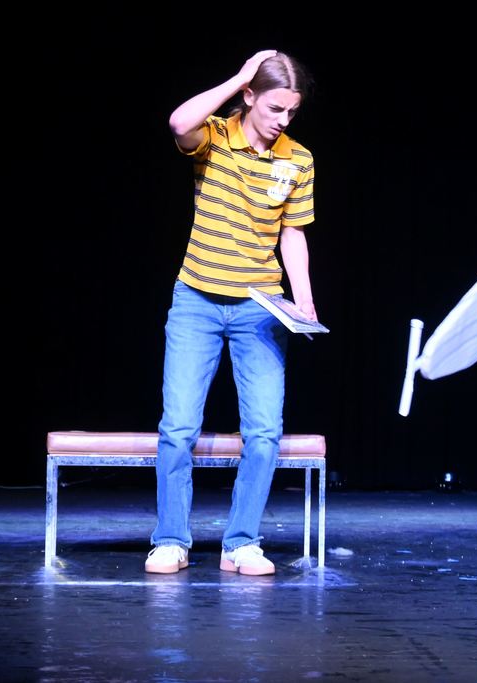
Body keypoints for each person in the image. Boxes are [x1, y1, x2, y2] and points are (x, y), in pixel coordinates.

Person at [145, 50, 317, 575]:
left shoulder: (299, 159)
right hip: (195, 300)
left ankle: (241, 542)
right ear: (249, 97)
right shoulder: (215, 136)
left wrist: (304, 297)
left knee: (264, 430)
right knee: (178, 427)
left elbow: (293, 233)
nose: (282, 121)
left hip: (259, 307)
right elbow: (178, 122)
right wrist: (240, 76)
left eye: (291, 111)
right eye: (273, 109)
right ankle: (171, 539)